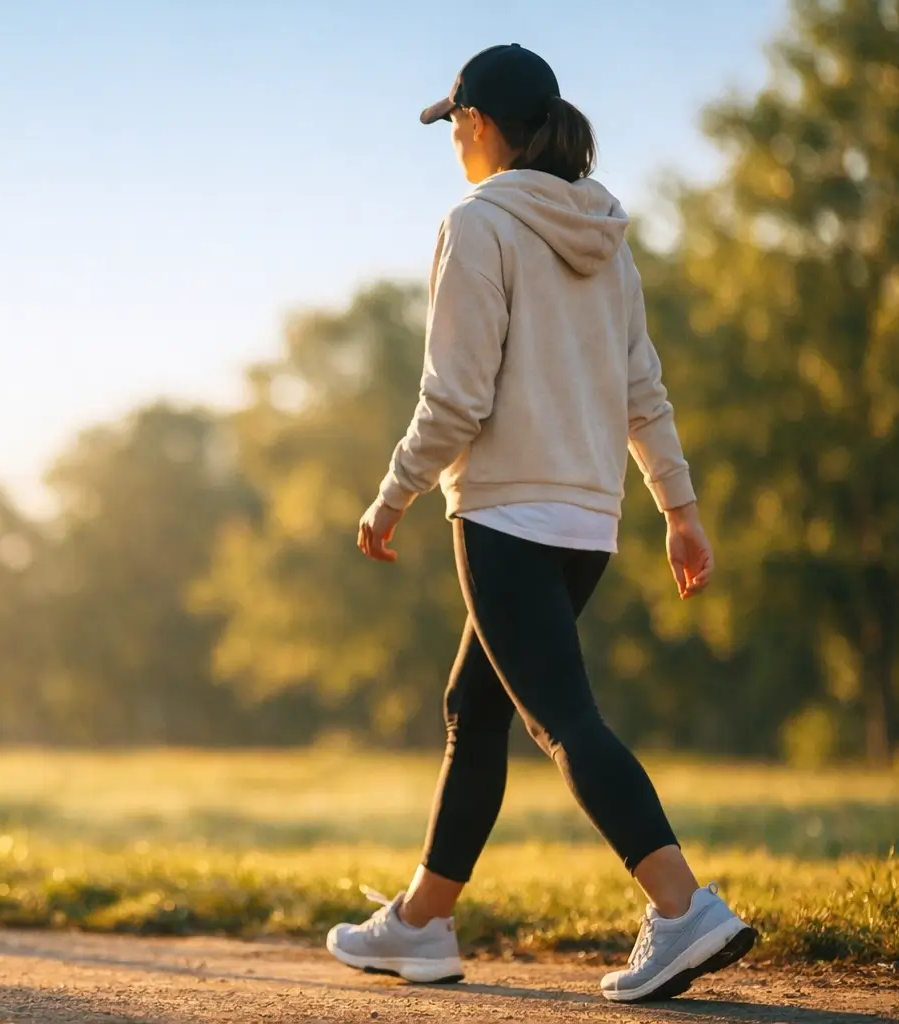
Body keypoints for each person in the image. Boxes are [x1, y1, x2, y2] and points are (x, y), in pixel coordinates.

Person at [323, 43, 757, 1004]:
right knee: (474, 708)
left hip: (507, 512)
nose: (454, 143)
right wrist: (678, 512)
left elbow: (456, 397)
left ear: (475, 123)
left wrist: (391, 494)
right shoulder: (607, 233)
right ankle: (424, 924)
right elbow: (644, 391)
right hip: (588, 526)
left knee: (561, 717)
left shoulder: (478, 224)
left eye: (455, 126)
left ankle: (684, 907)